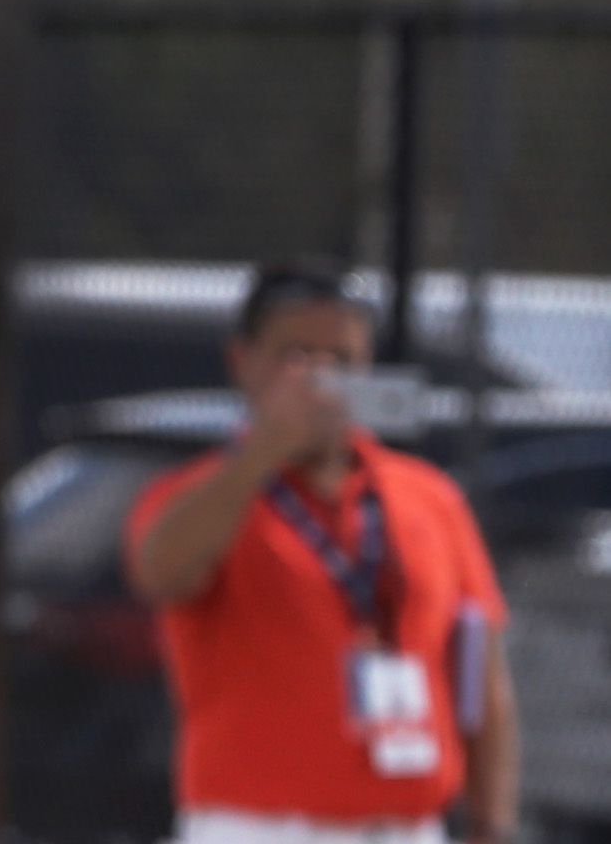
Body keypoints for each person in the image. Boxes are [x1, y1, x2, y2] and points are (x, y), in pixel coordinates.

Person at [125, 258, 519, 844]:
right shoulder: (206, 494)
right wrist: (263, 453)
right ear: (244, 362)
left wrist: (493, 819)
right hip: (261, 827)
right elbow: (161, 574)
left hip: (407, 825)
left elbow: (480, 673)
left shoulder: (428, 497)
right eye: (295, 356)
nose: (320, 379)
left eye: (341, 361)